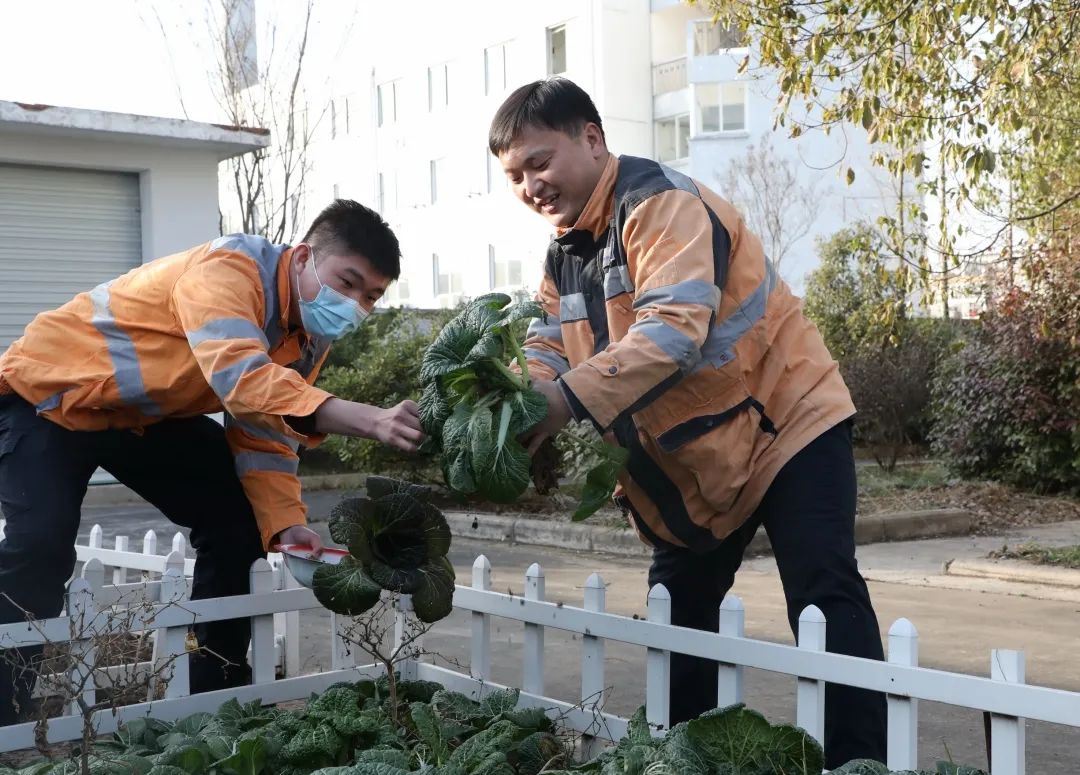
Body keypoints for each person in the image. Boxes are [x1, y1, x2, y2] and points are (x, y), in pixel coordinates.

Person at [490, 77, 887, 767]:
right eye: (516, 175)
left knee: (823, 594)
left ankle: (860, 762)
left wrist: (562, 402)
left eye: (540, 161)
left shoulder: (656, 202)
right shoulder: (564, 253)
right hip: (698, 461)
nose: (531, 185)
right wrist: (520, 403)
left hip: (789, 420)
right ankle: (682, 759)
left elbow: (673, 327)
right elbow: (546, 346)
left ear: (592, 138)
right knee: (676, 609)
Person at [0, 199, 422, 724]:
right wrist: (368, 418)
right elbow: (241, 377)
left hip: (139, 417)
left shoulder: (307, 337)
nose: (355, 304)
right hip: (49, 399)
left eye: (372, 296)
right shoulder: (230, 269)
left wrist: (287, 526)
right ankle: (5, 712)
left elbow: (265, 430)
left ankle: (212, 698)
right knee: (39, 545)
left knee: (240, 521)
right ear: (302, 256)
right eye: (348, 282)